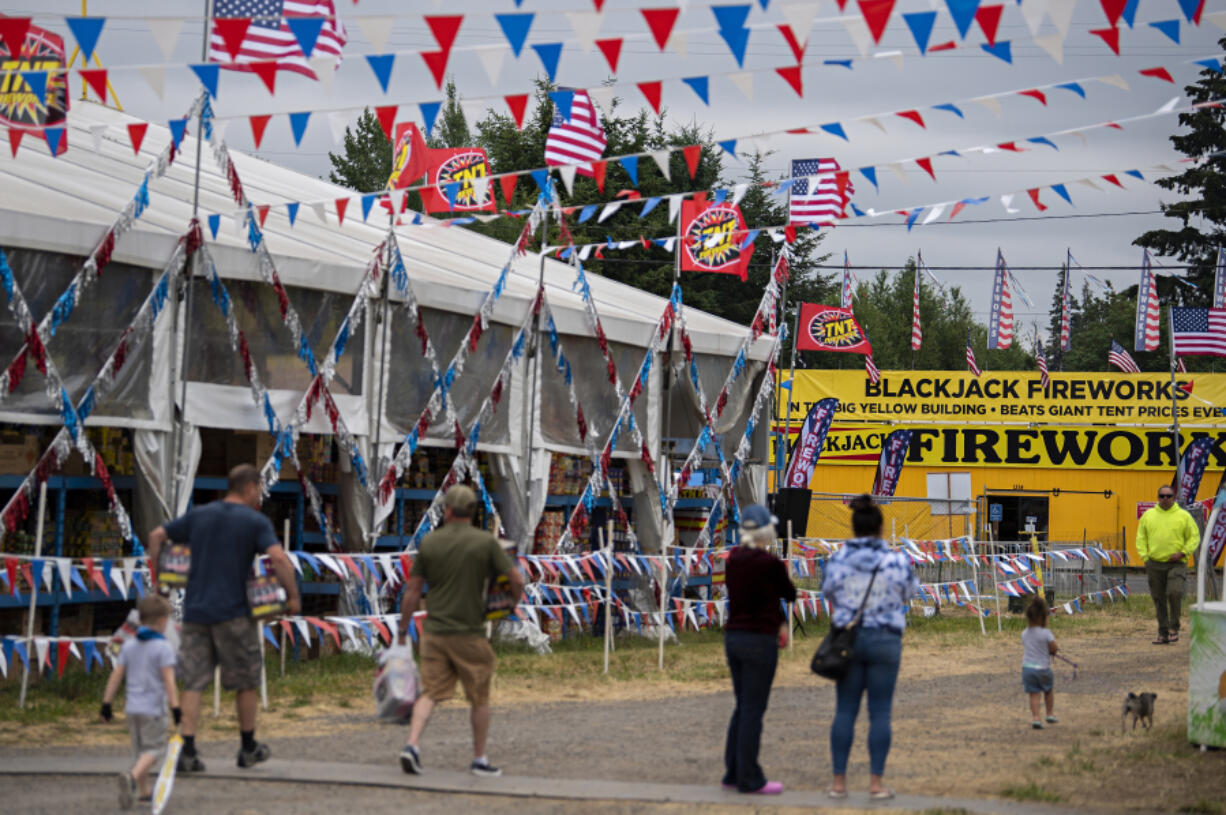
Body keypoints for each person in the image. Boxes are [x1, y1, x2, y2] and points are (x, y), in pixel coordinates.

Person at [147, 463, 300, 772]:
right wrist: (293, 596)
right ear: (250, 488)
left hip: (196, 613)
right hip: (235, 614)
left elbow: (156, 535)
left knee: (194, 682)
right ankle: (247, 748)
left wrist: (160, 581)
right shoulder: (255, 521)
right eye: (258, 488)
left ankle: (186, 751)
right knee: (245, 681)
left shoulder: (199, 515)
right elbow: (278, 558)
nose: (259, 494)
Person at [397, 485, 524, 778]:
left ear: (448, 511)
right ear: (472, 511)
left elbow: (413, 592)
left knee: (430, 692)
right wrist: (507, 606)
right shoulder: (485, 543)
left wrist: (404, 629)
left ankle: (412, 745)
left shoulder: (429, 543)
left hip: (435, 631)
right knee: (479, 697)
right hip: (470, 631)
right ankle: (479, 758)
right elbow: (516, 580)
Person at [821, 495, 919, 801]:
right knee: (880, 713)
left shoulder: (838, 558)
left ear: (853, 527)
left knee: (845, 710)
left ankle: (839, 784)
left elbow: (828, 590)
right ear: (880, 528)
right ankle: (876, 784)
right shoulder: (895, 560)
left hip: (847, 640)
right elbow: (909, 592)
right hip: (886, 640)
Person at [721, 504, 796, 795]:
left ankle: (732, 770)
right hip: (760, 639)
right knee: (754, 709)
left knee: (742, 706)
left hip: (735, 637)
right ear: (767, 531)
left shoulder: (733, 559)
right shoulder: (770, 564)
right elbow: (788, 593)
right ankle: (749, 778)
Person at [100, 595, 180, 809]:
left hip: (132, 708)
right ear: (163, 622)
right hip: (153, 708)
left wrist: (106, 704)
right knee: (155, 750)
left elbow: (116, 675)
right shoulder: (163, 648)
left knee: (139, 751)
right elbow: (169, 681)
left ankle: (144, 793)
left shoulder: (129, 646)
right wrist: (176, 708)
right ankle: (132, 777)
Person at [1136, 485, 1199, 644]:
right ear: (1158, 497)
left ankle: (1174, 627)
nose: (1165, 499)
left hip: (1176, 563)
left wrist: (1183, 552)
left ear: (1174, 497)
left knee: (1174, 592)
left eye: (1168, 496)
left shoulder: (1183, 516)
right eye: (1162, 496)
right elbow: (1141, 537)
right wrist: (1145, 556)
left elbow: (1194, 537)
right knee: (1159, 598)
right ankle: (1163, 632)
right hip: (1154, 563)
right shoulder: (1148, 515)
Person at [1021, 595, 1059, 729]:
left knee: (1034, 694)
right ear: (1043, 618)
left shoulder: (1024, 633)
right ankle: (1049, 713)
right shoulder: (1046, 633)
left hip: (1027, 669)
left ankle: (1036, 717)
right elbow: (1053, 648)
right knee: (1048, 691)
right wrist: (1053, 651)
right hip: (1043, 669)